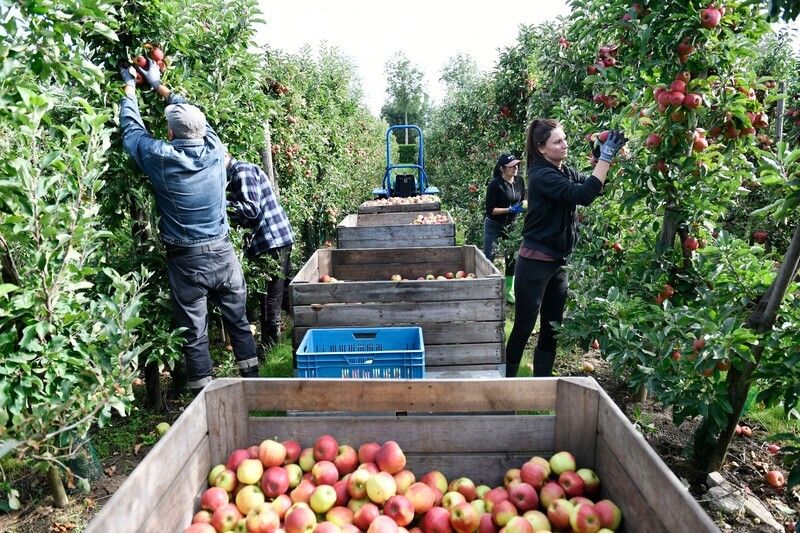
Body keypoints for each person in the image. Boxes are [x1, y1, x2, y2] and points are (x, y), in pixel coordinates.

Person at [118, 58, 260, 393]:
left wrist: (129, 86)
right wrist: (158, 84)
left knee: (195, 333)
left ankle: (202, 399)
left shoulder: (159, 157)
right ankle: (255, 387)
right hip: (223, 254)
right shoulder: (215, 149)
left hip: (187, 261)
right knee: (238, 322)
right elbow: (187, 110)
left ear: (169, 132)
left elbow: (132, 130)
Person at [505, 120, 626, 377]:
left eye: (565, 139)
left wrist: (598, 158)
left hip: (559, 263)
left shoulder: (562, 170)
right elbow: (582, 196)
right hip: (536, 263)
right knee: (524, 326)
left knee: (552, 327)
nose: (565, 144)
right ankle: (505, 382)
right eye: (557, 141)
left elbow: (594, 188)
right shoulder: (542, 175)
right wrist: (605, 156)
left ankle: (542, 387)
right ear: (542, 148)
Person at [225, 154, 294, 350]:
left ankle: (270, 348)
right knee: (285, 293)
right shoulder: (240, 172)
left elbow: (250, 210)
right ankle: (309, 326)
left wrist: (218, 204)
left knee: (269, 299)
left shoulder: (241, 172)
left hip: (270, 242)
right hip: (277, 238)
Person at [483, 154, 526, 303]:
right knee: (490, 256)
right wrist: (510, 210)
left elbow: (524, 197)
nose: (515, 168)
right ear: (502, 169)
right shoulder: (495, 184)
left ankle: (509, 291)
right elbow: (490, 210)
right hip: (494, 225)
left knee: (511, 258)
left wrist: (524, 206)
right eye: (511, 166)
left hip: (512, 225)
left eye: (516, 165)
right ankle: (487, 289)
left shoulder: (520, 181)